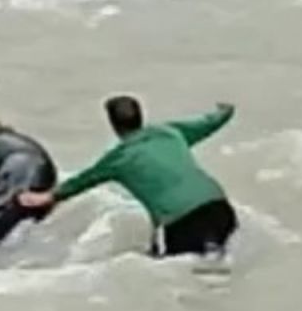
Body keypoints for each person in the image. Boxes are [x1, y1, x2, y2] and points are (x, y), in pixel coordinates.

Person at [18, 97, 238, 258]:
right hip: (219, 206)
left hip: (182, 221)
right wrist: (225, 111)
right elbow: (209, 123)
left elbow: (83, 180)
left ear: (113, 124)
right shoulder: (170, 132)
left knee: (186, 280)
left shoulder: (118, 159)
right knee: (222, 263)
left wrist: (48, 196)